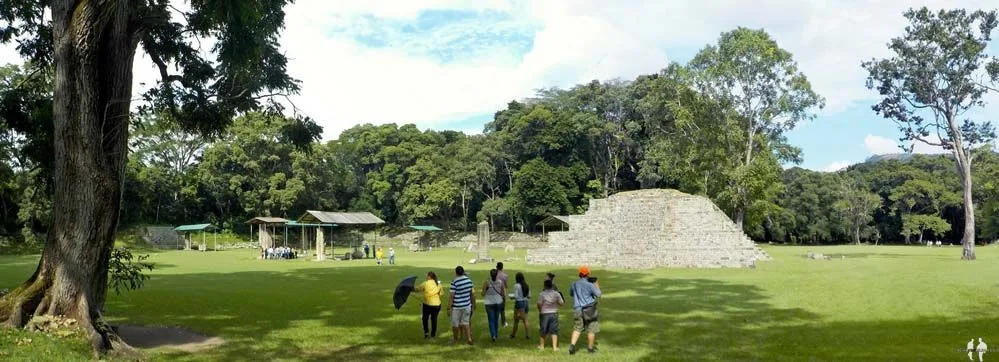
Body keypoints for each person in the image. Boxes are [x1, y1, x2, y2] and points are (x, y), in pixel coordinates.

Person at [568, 265, 601, 355]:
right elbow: (598, 294)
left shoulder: (574, 283)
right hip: (589, 309)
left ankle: (572, 345)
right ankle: (590, 349)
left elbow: (571, 293)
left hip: (577, 309)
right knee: (591, 328)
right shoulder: (590, 285)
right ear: (588, 274)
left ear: (580, 274)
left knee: (577, 328)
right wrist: (597, 284)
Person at [448, 266, 475, 345]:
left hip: (457, 307)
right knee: (466, 323)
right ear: (463, 272)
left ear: (456, 272)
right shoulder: (469, 281)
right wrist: (473, 304)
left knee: (455, 324)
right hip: (467, 305)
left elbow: (451, 296)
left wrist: (449, 307)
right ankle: (469, 339)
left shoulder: (454, 281)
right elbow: (471, 294)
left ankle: (455, 339)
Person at [412, 271, 443, 338]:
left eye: (427, 275)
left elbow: (417, 289)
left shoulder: (425, 283)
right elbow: (441, 294)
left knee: (425, 319)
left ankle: (426, 332)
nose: (426, 277)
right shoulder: (438, 284)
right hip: (437, 304)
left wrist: (410, 289)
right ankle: (433, 334)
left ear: (429, 276)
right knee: (434, 319)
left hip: (427, 304)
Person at [537, 279, 564, 351]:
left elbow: (539, 304)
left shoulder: (542, 294)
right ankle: (555, 347)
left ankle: (542, 346)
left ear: (545, 286)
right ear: (552, 285)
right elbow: (561, 303)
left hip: (544, 314)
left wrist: (540, 310)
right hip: (554, 313)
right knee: (554, 330)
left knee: (543, 330)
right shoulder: (556, 293)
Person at [482, 268, 506, 342]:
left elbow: (483, 293)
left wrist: (486, 290)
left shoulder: (487, 282)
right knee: (496, 319)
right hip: (498, 302)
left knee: (491, 320)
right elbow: (503, 294)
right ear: (497, 275)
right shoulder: (500, 282)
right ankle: (496, 334)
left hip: (489, 303)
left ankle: (493, 335)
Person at [509, 272, 530, 339]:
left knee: (516, 320)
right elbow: (529, 296)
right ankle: (527, 335)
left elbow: (515, 296)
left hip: (519, 303)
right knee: (525, 319)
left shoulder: (516, 285)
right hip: (526, 302)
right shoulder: (527, 285)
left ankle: (513, 334)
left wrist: (511, 296)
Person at [496, 262, 509, 327]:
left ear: (496, 267)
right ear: (502, 267)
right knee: (502, 309)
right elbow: (506, 286)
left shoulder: (494, 275)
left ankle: (496, 321)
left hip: (495, 293)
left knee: (495, 308)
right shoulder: (505, 275)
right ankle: (503, 322)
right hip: (502, 294)